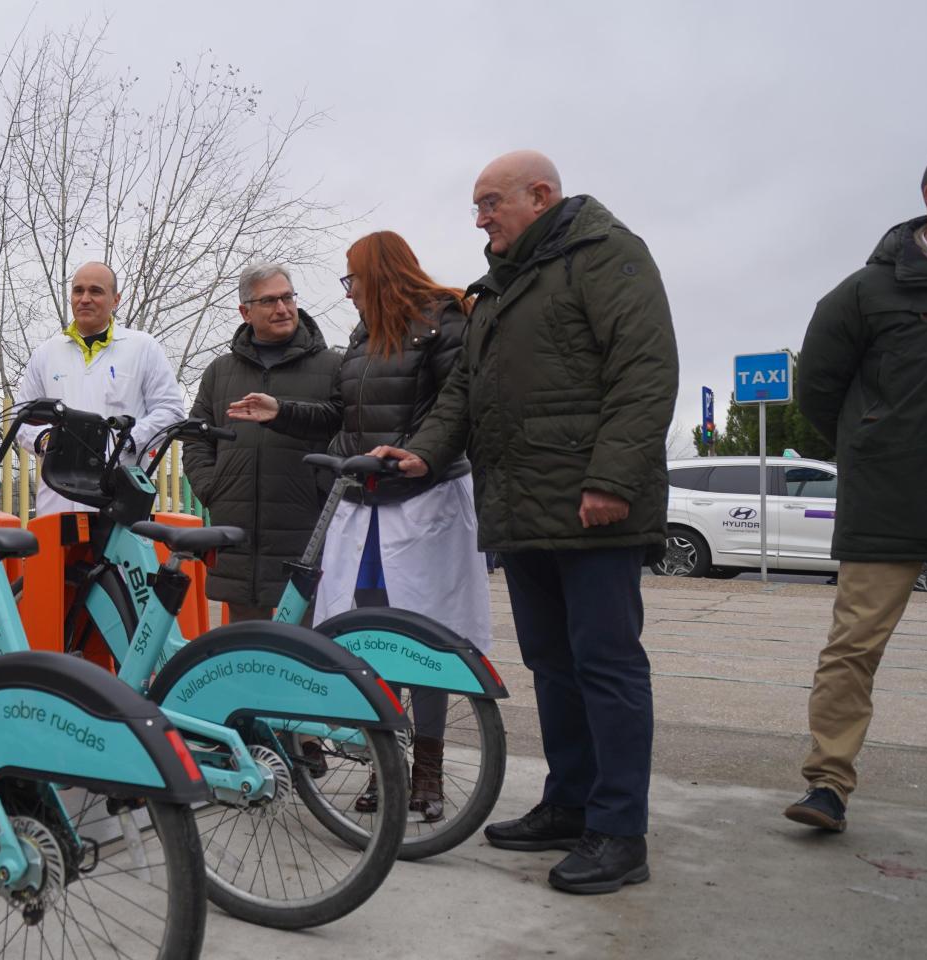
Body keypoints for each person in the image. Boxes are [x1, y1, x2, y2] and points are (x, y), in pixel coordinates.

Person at [376, 151, 679, 894]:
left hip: (592, 505)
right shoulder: (500, 289)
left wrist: (612, 477)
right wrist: (421, 455)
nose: (479, 219)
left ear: (539, 195)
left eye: (490, 203)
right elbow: (464, 395)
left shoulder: (607, 257)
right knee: (552, 663)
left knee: (606, 664)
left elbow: (646, 369)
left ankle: (619, 830)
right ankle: (570, 803)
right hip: (523, 509)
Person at [227, 233, 490, 822]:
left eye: (353, 280)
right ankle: (386, 766)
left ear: (382, 274)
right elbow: (343, 421)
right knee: (369, 640)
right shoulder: (363, 337)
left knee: (422, 642)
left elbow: (454, 411)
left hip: (423, 503)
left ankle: (427, 772)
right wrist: (281, 412)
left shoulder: (446, 324)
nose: (346, 293)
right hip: (366, 506)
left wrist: (415, 455)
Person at [784, 152, 927, 832]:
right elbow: (818, 387)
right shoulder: (865, 292)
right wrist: (873, 440)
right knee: (854, 647)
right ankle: (828, 784)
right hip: (891, 492)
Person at [180, 263, 339, 622]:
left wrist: (318, 489)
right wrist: (214, 488)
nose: (282, 308)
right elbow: (195, 439)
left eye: (287, 297)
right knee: (243, 652)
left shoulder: (332, 367)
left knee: (304, 650)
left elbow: (344, 433)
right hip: (238, 535)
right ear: (245, 311)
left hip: (304, 530)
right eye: (269, 301)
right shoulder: (220, 371)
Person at [15, 262, 186, 516]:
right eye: (78, 291)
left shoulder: (143, 347)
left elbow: (171, 412)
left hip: (120, 493)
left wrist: (127, 440)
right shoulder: (46, 353)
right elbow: (21, 417)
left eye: (95, 291)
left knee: (118, 556)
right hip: (56, 499)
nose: (85, 299)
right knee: (57, 555)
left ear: (115, 299)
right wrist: (43, 440)